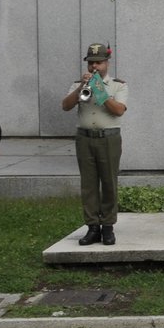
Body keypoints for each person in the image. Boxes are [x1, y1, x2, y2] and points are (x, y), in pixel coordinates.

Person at [62, 42, 127, 246]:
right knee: (88, 184)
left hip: (109, 138)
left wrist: (100, 89)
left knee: (108, 183)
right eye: (91, 63)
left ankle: (108, 227)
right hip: (84, 138)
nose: (94, 67)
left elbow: (118, 110)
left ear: (107, 63)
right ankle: (92, 227)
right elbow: (66, 106)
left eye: (98, 62)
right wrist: (83, 86)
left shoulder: (118, 85)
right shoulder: (79, 83)